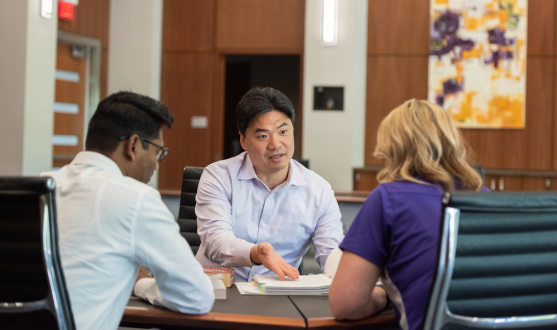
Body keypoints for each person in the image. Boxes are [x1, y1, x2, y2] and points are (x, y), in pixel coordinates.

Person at [41, 92, 214, 330]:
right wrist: (140, 284)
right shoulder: (136, 198)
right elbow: (196, 297)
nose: (155, 164)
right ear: (133, 145)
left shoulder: (36, 187)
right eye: (157, 152)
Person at [329, 99, 488, 330]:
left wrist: (383, 296)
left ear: (392, 148)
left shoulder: (388, 199)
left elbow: (346, 305)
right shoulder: (486, 198)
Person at [195, 86, 344, 282]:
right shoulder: (218, 176)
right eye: (263, 136)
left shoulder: (319, 191)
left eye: (283, 131)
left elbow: (332, 254)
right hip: (217, 290)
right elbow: (216, 241)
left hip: (277, 295)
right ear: (244, 140)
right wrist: (255, 253)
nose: (275, 144)